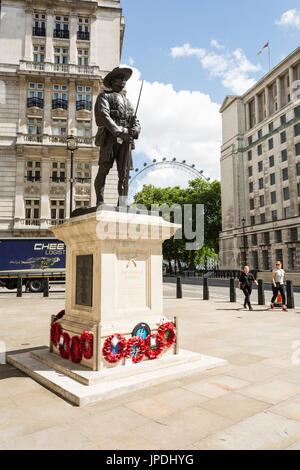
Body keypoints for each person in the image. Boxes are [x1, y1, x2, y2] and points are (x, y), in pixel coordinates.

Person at [94, 66, 141, 207]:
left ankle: (122, 203)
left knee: (124, 173)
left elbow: (136, 121)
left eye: (124, 80)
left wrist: (135, 130)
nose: (123, 81)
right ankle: (100, 201)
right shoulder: (104, 96)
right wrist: (120, 132)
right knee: (104, 170)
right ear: (113, 81)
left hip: (126, 141)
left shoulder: (128, 102)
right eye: (120, 79)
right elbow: (104, 116)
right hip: (109, 138)